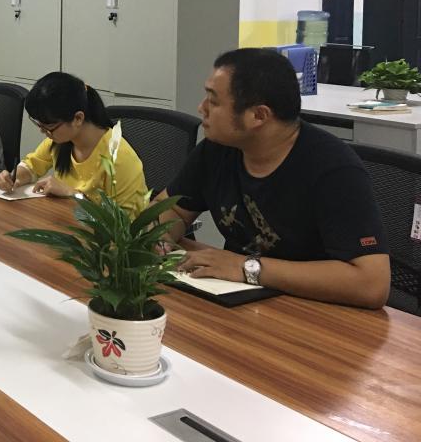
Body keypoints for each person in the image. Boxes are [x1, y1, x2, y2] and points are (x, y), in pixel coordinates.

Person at [155, 48, 390, 309]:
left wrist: (247, 268)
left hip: (314, 311)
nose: (202, 108)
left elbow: (372, 284)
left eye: (214, 101)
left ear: (259, 115)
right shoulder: (217, 150)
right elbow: (173, 209)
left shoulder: (334, 169)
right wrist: (159, 239)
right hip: (240, 301)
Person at [0, 72, 148, 215]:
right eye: (39, 124)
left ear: (78, 118)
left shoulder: (119, 157)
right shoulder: (60, 141)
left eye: (49, 127)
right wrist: (15, 178)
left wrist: (73, 194)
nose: (43, 131)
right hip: (66, 222)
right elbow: (33, 165)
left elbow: (125, 223)